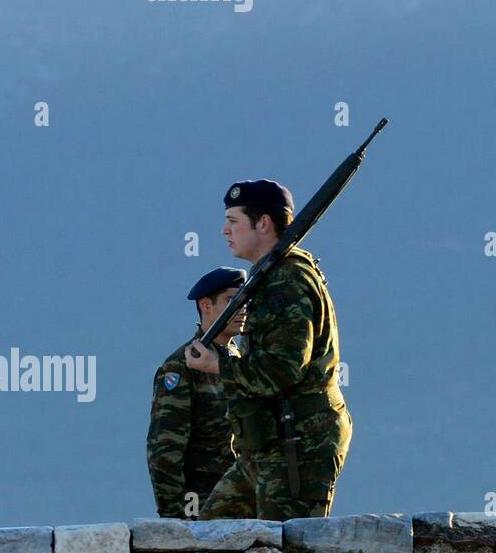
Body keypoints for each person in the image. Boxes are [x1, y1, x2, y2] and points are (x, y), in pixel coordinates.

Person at [189, 179, 353, 520]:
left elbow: (283, 369)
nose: (224, 231)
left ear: (263, 223)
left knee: (290, 551)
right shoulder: (269, 275)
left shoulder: (286, 281)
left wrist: (218, 365)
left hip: (299, 442)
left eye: (234, 221)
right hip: (267, 441)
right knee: (211, 537)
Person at [146, 267, 246, 518]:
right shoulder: (182, 366)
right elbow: (165, 449)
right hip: (202, 500)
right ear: (206, 305)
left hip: (243, 494)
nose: (242, 308)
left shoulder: (242, 362)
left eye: (245, 299)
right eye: (231, 300)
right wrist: (176, 517)